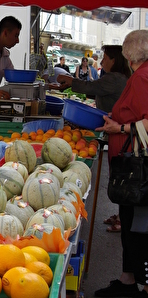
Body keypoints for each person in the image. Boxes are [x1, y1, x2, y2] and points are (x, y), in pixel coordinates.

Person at [94, 30, 148, 298]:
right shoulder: (141, 75)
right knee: (130, 224)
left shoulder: (142, 77)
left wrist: (121, 128)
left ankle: (146, 287)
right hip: (130, 163)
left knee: (141, 227)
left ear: (129, 54)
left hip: (139, 166)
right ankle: (128, 278)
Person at [57, 45, 132, 233]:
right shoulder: (116, 78)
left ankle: (125, 218)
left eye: (106, 58)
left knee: (120, 174)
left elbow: (92, 86)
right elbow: (95, 91)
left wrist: (70, 80)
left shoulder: (114, 78)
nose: (102, 61)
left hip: (120, 131)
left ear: (114, 60)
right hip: (116, 129)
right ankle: (122, 215)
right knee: (119, 173)